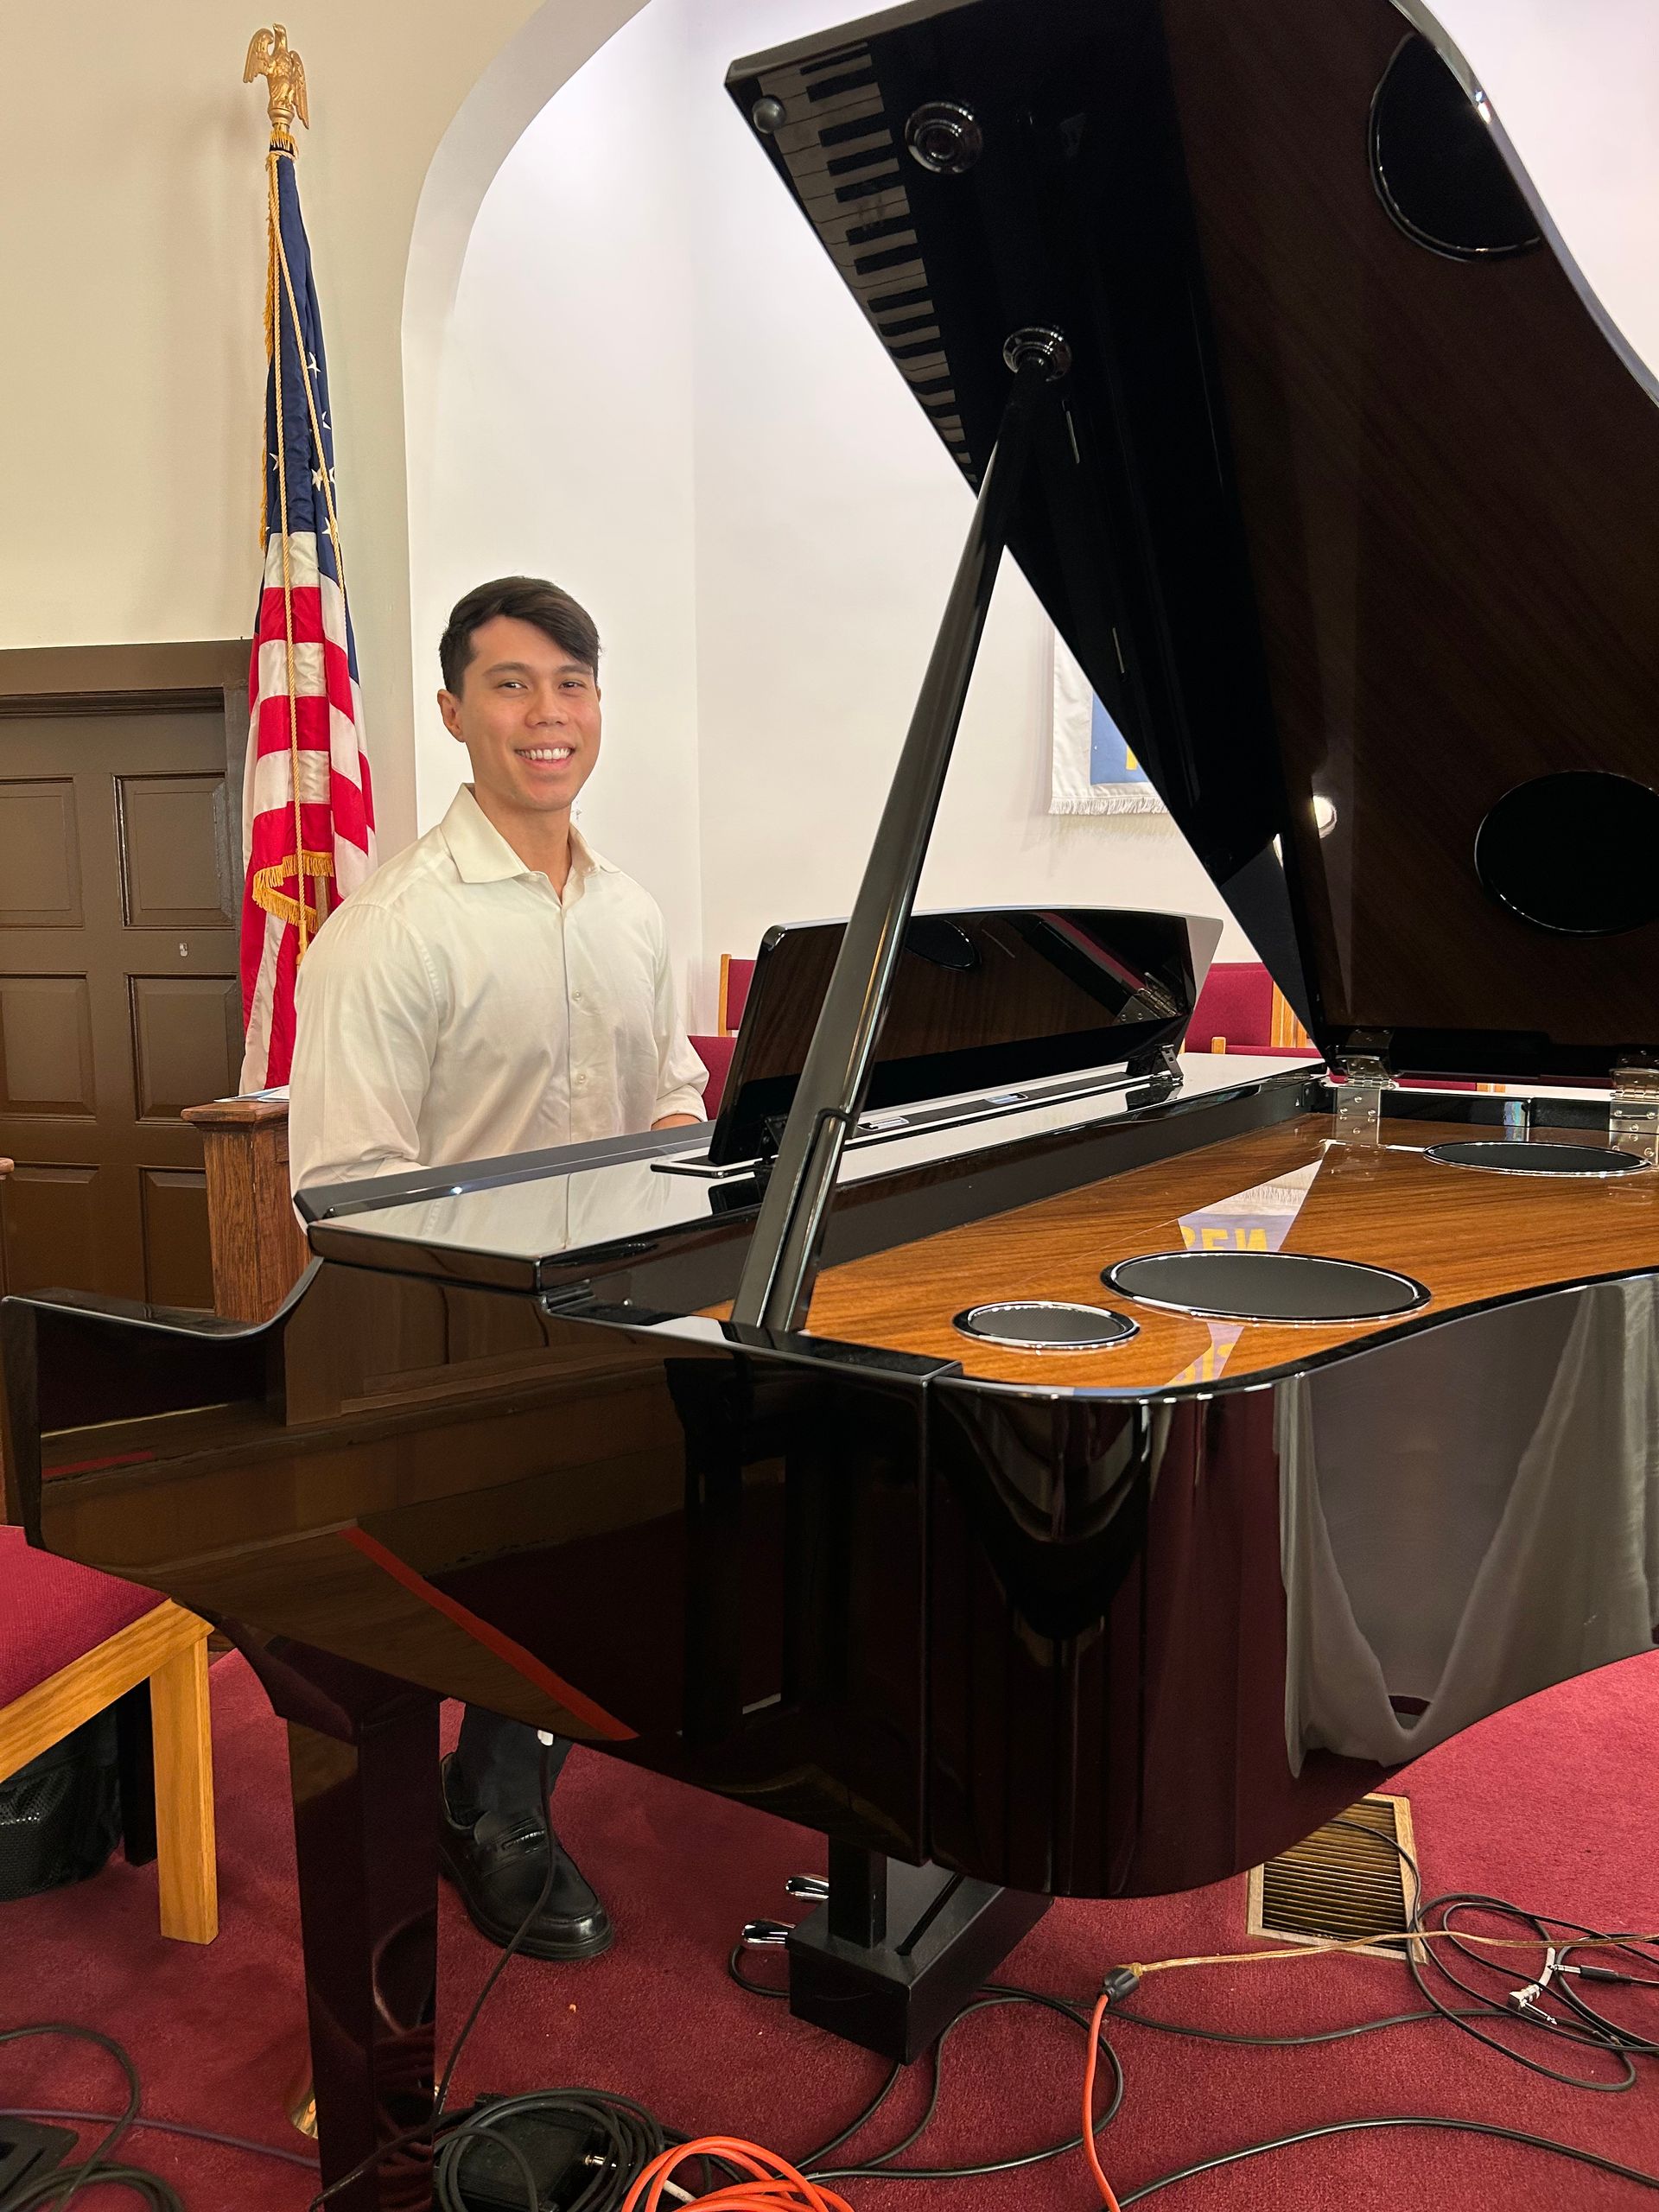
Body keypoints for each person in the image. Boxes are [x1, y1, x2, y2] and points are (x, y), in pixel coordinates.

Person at [287, 575, 706, 1960]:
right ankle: (489, 1806)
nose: (549, 715)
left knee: (641, 1543)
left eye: (573, 686)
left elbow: (666, 1098)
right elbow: (344, 1192)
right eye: (515, 684)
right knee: (525, 1567)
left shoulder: (631, 912)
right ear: (457, 711)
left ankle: (516, 1753)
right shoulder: (393, 929)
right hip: (457, 1333)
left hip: (615, 1301)